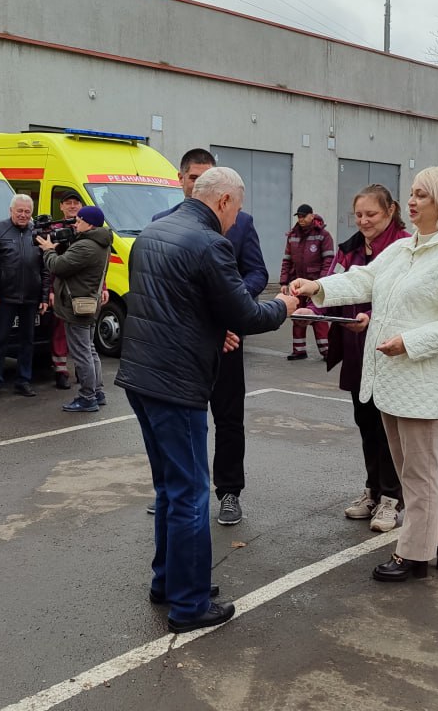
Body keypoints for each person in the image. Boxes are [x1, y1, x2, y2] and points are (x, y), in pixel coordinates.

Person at [116, 167, 299, 633]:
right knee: (192, 495)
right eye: (236, 210)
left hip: (140, 376)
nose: (235, 220)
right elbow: (245, 312)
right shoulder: (209, 243)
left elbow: (169, 304)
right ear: (223, 201)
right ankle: (190, 605)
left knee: (169, 489)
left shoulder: (153, 232)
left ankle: (170, 582)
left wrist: (211, 332)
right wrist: (286, 307)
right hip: (175, 385)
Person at [291, 166, 438, 582]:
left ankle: (414, 555)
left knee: (417, 471)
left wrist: (409, 342)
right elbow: (364, 279)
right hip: (392, 380)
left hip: (423, 382)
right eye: (412, 194)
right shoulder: (403, 249)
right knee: (413, 470)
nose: (412, 202)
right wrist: (318, 288)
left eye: (422, 196)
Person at [147, 148, 267, 526]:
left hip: (229, 340)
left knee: (229, 417)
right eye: (193, 177)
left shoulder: (241, 223)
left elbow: (257, 274)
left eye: (207, 177)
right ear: (181, 180)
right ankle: (171, 489)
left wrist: (232, 314)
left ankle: (229, 491)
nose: (199, 184)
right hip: (183, 346)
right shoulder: (161, 223)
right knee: (177, 419)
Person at [307, 184, 409, 532]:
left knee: (389, 428)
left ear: (391, 211)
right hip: (356, 349)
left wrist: (370, 316)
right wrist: (307, 304)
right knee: (365, 422)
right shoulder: (349, 249)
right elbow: (333, 284)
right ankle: (374, 490)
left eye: (372, 214)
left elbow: (403, 297)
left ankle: (392, 498)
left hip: (389, 351)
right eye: (359, 215)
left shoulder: (405, 248)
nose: (364, 221)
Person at [38, 205, 111, 412]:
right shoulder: (100, 242)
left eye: (78, 220)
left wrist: (49, 250)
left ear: (89, 224)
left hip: (77, 306)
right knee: (90, 349)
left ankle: (87, 397)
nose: (75, 224)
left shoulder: (86, 246)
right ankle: (97, 391)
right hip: (88, 303)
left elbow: (58, 266)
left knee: (81, 353)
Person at [0, 194, 48, 399]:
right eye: (19, 211)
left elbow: (46, 267)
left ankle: (23, 381)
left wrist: (44, 297)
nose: (23, 215)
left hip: (31, 296)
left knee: (27, 341)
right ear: (11, 210)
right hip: (5, 296)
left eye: (27, 212)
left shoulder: (38, 232)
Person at [280, 204, 334, 360]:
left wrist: (321, 283)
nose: (301, 219)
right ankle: (299, 350)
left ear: (312, 216)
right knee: (297, 316)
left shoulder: (323, 235)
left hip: (315, 284)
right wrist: (284, 282)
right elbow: (287, 261)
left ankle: (326, 350)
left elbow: (328, 261)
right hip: (297, 284)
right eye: (299, 216)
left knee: (317, 317)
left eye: (304, 216)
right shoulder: (293, 235)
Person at [47, 190, 83, 391]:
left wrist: (102, 287)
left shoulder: (87, 228)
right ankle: (61, 371)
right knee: (60, 331)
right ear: (61, 206)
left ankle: (81, 368)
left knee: (82, 331)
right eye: (67, 203)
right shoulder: (53, 229)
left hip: (83, 287)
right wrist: (50, 290)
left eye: (75, 203)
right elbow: (47, 262)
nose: (72, 206)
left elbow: (98, 262)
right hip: (60, 287)